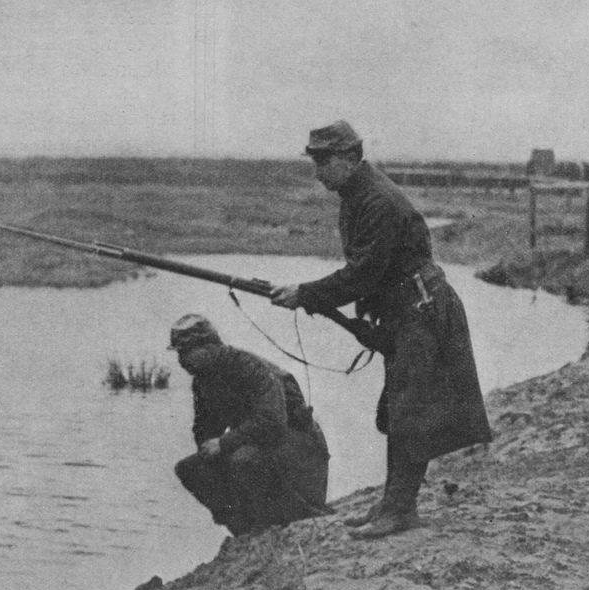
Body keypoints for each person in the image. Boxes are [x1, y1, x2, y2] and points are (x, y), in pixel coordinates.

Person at [271, 120, 492, 539]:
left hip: (422, 309)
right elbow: (372, 273)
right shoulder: (355, 196)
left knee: (411, 411)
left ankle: (401, 510)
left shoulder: (378, 202)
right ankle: (393, 502)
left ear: (351, 159)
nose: (317, 172)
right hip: (405, 309)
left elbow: (364, 274)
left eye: (324, 161)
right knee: (398, 408)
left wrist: (307, 294)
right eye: (315, 161)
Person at [169, 314, 332, 536]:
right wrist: (208, 448)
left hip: (300, 450)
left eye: (186, 352)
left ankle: (279, 520)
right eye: (179, 353)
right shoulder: (204, 379)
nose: (182, 360)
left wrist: (224, 443)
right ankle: (243, 529)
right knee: (190, 468)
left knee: (243, 459)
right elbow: (204, 428)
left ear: (209, 347)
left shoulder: (248, 367)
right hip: (263, 447)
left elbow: (273, 421)